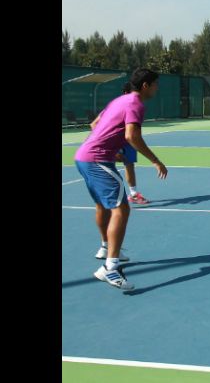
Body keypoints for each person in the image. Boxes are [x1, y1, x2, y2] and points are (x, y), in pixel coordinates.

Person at [74, 68, 168, 291]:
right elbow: (131, 136)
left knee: (104, 206)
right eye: (155, 84)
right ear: (145, 85)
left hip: (84, 157)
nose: (157, 88)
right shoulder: (136, 104)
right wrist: (156, 160)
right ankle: (110, 268)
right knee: (121, 209)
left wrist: (109, 147)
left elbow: (96, 125)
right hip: (97, 160)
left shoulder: (119, 100)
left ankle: (107, 248)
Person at [90, 82, 150, 205]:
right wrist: (104, 142)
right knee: (108, 168)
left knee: (129, 165)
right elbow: (94, 124)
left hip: (127, 141)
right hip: (114, 142)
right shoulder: (117, 106)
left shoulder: (134, 106)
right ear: (126, 93)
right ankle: (106, 197)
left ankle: (133, 194)